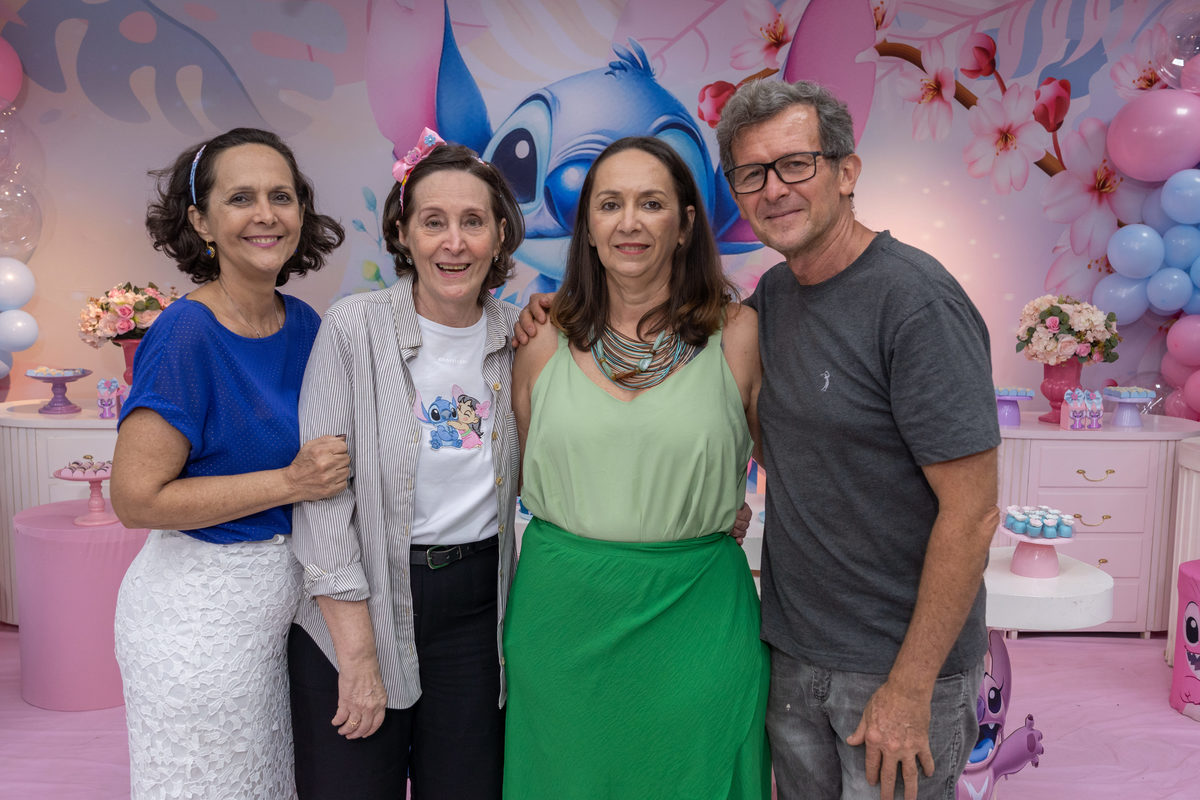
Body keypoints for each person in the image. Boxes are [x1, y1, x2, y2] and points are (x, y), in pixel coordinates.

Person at [714, 81, 1001, 800]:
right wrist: (563, 310)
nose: (774, 189)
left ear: (846, 172)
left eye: (795, 164)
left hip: (896, 670)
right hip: (792, 653)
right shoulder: (775, 298)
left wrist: (910, 687)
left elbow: (971, 514)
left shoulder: (916, 303)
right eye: (752, 173)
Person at [504, 136, 770, 798]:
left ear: (684, 225)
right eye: (609, 204)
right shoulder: (539, 342)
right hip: (561, 625)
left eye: (651, 203)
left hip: (696, 623)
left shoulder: (740, 335)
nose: (629, 222)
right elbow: (521, 473)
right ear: (588, 228)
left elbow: (794, 467)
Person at [111, 127, 350, 799]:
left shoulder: (304, 324)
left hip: (282, 616)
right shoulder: (185, 332)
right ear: (200, 220)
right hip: (198, 621)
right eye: (240, 198)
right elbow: (136, 498)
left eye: (281, 196)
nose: (265, 214)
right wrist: (289, 482)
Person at [286, 134, 524, 799]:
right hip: (359, 604)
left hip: (478, 611)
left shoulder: (520, 338)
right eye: (433, 222)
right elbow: (323, 501)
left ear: (499, 235)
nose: (455, 243)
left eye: (473, 221)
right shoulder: (352, 328)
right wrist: (359, 655)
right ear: (402, 232)